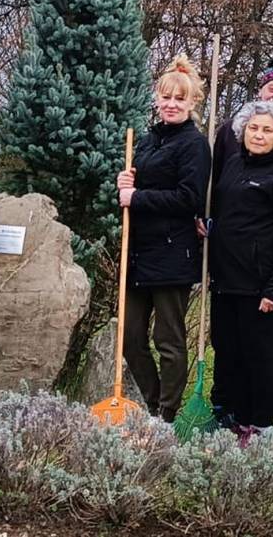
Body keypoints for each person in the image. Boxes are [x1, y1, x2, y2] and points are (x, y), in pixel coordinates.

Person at [114, 54, 211, 422]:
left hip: (172, 253)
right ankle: (152, 401)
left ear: (191, 103)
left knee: (167, 339)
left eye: (179, 99)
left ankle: (166, 413)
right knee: (130, 336)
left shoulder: (193, 145)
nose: (171, 104)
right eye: (166, 97)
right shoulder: (149, 141)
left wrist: (137, 196)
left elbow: (189, 198)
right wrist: (125, 187)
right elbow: (131, 194)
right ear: (157, 98)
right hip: (137, 251)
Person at [209, 55, 273, 422]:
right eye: (253, 129)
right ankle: (226, 415)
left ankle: (258, 423)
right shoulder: (233, 164)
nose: (259, 135)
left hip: (261, 286)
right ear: (242, 131)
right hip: (226, 282)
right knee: (227, 351)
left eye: (266, 130)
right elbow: (218, 205)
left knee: (260, 356)